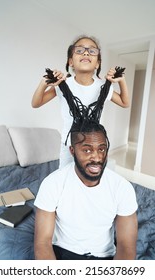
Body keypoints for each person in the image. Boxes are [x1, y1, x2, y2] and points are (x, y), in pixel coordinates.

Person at [34, 120, 138, 260]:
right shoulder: (52, 184)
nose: (96, 157)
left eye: (101, 149)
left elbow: (126, 246)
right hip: (63, 253)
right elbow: (42, 243)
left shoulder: (122, 188)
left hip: (104, 257)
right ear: (72, 151)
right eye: (87, 150)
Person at [32, 35, 129, 167]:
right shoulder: (63, 84)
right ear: (71, 61)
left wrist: (121, 80)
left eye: (92, 51)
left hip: (94, 146)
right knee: (65, 177)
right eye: (79, 50)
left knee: (91, 179)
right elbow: (36, 103)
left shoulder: (104, 87)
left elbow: (125, 102)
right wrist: (44, 83)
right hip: (68, 145)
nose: (86, 52)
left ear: (98, 63)